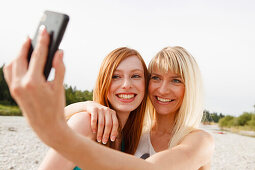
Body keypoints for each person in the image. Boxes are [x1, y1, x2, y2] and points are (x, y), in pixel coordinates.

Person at [4, 27, 214, 170]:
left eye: (176, 80)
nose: (163, 89)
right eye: (156, 78)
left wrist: (58, 135)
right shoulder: (135, 133)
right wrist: (86, 105)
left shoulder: (200, 140)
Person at [38, 45, 149, 168]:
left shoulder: (129, 135)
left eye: (136, 76)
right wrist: (85, 105)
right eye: (116, 76)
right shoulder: (87, 123)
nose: (127, 85)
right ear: (103, 82)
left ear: (146, 83)